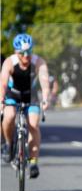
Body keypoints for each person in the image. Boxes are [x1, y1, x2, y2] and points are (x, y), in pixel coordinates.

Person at [1, 34, 52, 178]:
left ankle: (34, 161)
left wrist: (46, 99)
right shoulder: (9, 62)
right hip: (13, 94)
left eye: (28, 52)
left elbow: (44, 83)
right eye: (22, 53)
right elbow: (3, 83)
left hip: (31, 95)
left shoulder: (38, 62)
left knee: (34, 124)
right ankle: (9, 144)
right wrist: (1, 100)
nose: (25, 56)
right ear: (16, 52)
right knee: (9, 115)